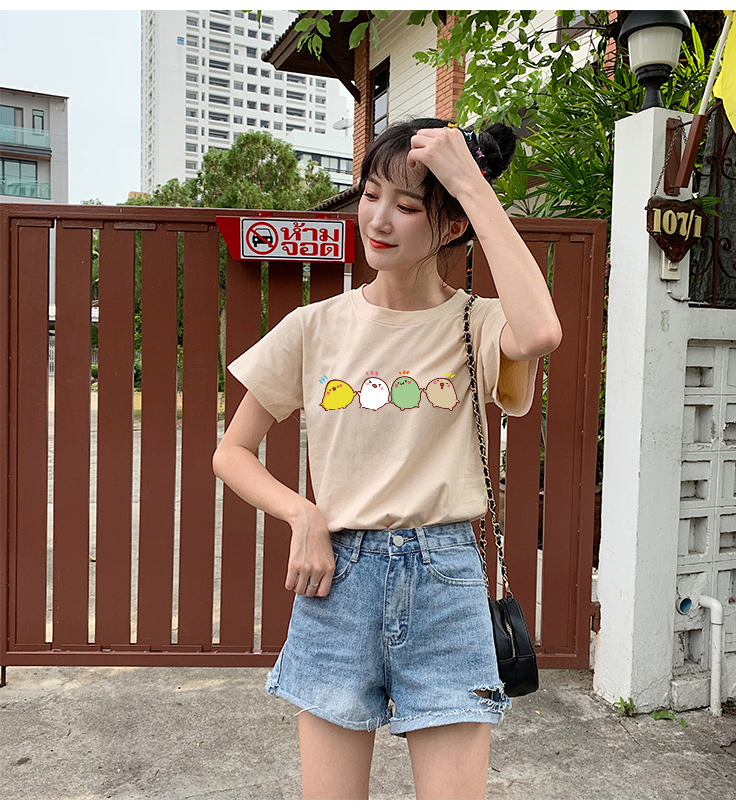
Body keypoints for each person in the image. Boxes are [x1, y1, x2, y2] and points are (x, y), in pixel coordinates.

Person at [212, 117, 563, 800]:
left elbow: (542, 331)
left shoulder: (478, 321)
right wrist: (303, 514)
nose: (378, 218)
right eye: (372, 194)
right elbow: (232, 451)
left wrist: (472, 186)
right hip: (338, 583)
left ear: (451, 227)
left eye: (407, 205)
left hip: (445, 582)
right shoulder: (315, 326)